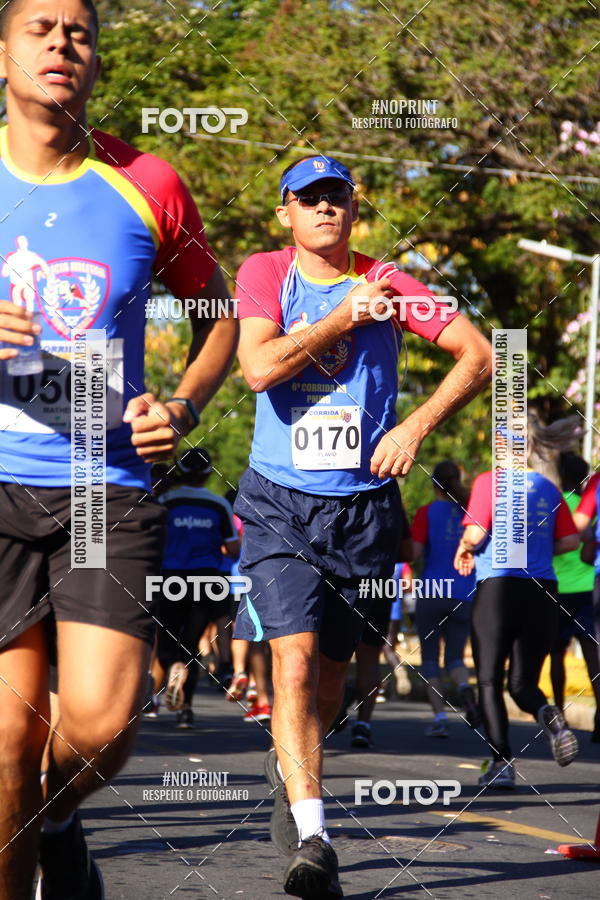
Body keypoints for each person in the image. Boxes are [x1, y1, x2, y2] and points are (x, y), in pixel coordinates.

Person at [0, 2, 238, 897]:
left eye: (81, 32)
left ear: (97, 61)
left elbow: (220, 315)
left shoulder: (146, 182)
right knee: (5, 752)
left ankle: (60, 816)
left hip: (103, 485)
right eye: (40, 28)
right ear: (3, 52)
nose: (62, 44)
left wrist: (180, 405)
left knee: (98, 724)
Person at [233, 153, 492, 897]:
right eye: (307, 199)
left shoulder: (395, 282)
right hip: (280, 501)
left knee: (335, 686)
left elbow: (479, 357)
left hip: (365, 510)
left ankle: (293, 759)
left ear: (354, 209)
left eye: (336, 198)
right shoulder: (266, 274)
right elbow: (256, 368)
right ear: (286, 211)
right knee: (293, 662)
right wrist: (346, 314)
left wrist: (413, 427)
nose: (323, 210)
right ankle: (314, 838)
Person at [454, 419, 581, 790]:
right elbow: (570, 543)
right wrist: (536, 549)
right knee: (523, 682)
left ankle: (501, 763)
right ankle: (551, 718)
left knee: (490, 681)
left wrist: (464, 548)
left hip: (499, 589)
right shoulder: (548, 488)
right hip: (543, 590)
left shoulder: (488, 482)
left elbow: (476, 533)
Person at [156, 449, 240, 728]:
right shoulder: (218, 505)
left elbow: (151, 540)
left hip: (170, 577)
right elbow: (233, 548)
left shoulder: (166, 501)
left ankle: (171, 666)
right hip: (207, 579)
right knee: (191, 645)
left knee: (166, 638)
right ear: (208, 474)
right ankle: (186, 711)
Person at [411, 461, 480, 737]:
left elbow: (414, 553)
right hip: (465, 593)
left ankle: (440, 718)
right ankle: (465, 689)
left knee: (430, 660)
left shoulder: (425, 513)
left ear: (434, 485)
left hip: (431, 591)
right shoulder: (472, 513)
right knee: (455, 659)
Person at [550, 453, 600, 742]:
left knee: (556, 654)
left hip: (557, 588)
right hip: (586, 587)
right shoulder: (587, 506)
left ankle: (559, 715)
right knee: (593, 654)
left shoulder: (555, 505)